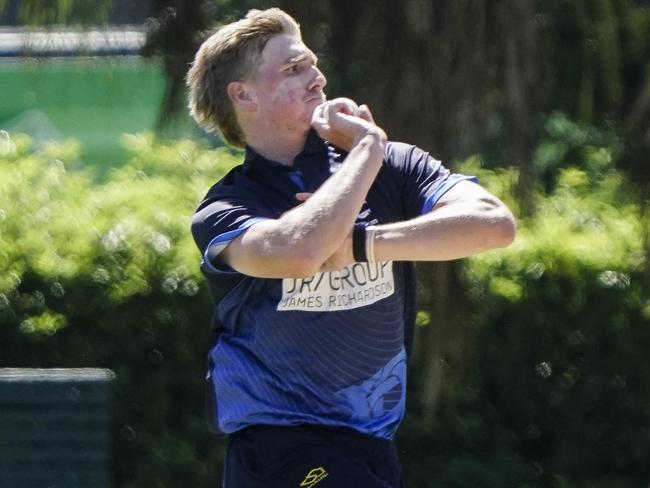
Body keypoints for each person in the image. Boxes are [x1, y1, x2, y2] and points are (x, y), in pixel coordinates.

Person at [187, 7, 515, 488]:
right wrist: (365, 152)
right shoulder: (227, 207)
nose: (316, 76)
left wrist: (363, 242)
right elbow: (300, 252)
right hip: (279, 447)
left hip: (373, 445)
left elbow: (494, 224)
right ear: (244, 95)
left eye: (312, 62)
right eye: (293, 68)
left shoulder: (391, 165)